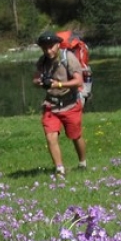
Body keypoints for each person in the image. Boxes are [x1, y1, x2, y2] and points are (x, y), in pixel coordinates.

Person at [32, 31, 86, 178]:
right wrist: (39, 82)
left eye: (51, 47)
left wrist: (59, 84)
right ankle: (60, 169)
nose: (48, 51)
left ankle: (82, 163)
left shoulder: (69, 58)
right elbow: (35, 78)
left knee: (75, 136)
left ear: (58, 45)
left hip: (70, 104)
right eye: (44, 48)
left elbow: (79, 81)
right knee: (50, 136)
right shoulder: (42, 61)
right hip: (51, 105)